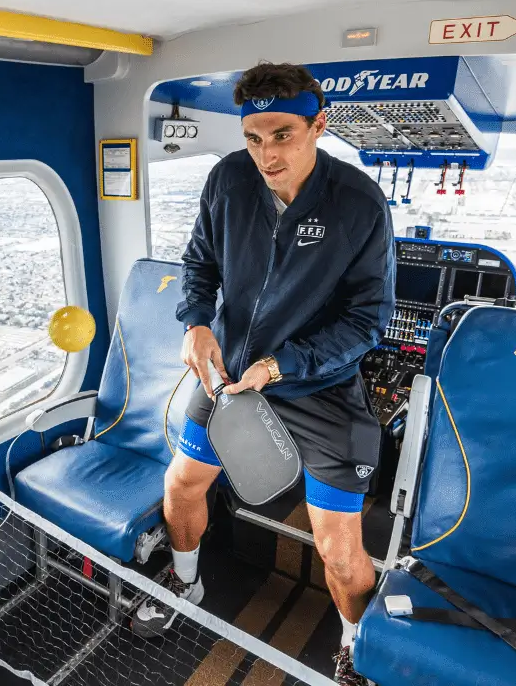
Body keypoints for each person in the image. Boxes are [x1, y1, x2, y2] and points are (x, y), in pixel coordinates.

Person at [134, 63, 393, 686]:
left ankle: (356, 652)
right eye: (253, 137)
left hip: (319, 388)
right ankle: (187, 585)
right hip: (228, 381)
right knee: (181, 488)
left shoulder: (358, 203)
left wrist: (284, 364)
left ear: (318, 125)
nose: (266, 154)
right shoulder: (227, 179)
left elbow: (368, 321)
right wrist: (196, 323)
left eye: (282, 135)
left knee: (338, 549)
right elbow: (200, 264)